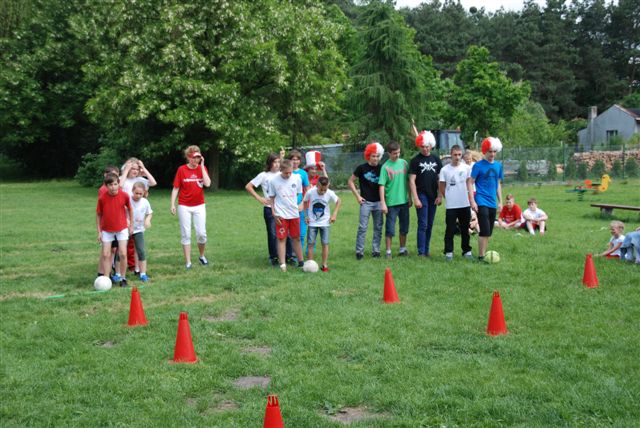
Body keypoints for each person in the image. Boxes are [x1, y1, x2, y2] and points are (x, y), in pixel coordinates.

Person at [170, 146, 212, 269]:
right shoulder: (181, 169)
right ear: (188, 157)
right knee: (186, 234)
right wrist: (172, 204)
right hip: (184, 205)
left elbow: (207, 184)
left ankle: (201, 256)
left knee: (201, 234)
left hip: (199, 205)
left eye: (198, 157)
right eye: (193, 157)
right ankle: (188, 262)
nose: (196, 160)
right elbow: (176, 188)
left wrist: (202, 166)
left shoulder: (202, 168)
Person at [348, 142, 384, 260]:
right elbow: (350, 181)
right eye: (373, 156)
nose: (375, 158)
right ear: (368, 156)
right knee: (362, 227)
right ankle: (359, 252)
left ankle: (376, 251)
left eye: (377, 156)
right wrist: (358, 196)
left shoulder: (382, 168)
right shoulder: (361, 168)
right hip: (366, 202)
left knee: (378, 228)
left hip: (379, 202)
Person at [120, 158, 157, 272]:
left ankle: (136, 268)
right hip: (124, 215)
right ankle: (118, 267)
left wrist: (144, 168)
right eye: (132, 168)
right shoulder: (123, 179)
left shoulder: (140, 180)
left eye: (137, 169)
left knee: (137, 245)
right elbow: (120, 186)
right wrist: (126, 170)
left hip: (137, 216)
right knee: (122, 244)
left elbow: (153, 182)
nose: (135, 171)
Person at [409, 129, 442, 256]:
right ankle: (421, 251)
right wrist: (416, 198)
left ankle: (426, 250)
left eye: (427, 146)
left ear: (431, 145)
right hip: (421, 194)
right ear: (419, 146)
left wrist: (439, 195)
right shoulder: (415, 160)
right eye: (422, 146)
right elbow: (412, 181)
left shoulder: (436, 159)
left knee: (430, 224)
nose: (425, 149)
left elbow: (440, 179)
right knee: (423, 223)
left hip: (433, 195)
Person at [96, 173, 133, 286]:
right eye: (110, 185)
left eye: (115, 184)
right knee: (106, 254)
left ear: (118, 184)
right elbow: (98, 214)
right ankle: (106, 279)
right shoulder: (102, 198)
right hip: (107, 230)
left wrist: (131, 224)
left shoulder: (125, 196)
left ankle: (123, 278)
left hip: (122, 228)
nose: (113, 187)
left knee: (123, 253)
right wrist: (99, 232)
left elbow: (130, 210)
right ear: (106, 186)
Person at [470, 137, 504, 263]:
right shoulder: (478, 166)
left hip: (492, 202)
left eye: (494, 151)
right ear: (485, 151)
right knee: (484, 230)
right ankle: (481, 256)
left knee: (488, 231)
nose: (492, 154)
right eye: (490, 151)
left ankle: (484, 253)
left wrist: (500, 201)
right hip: (481, 200)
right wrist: (473, 201)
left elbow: (498, 184)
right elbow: (470, 182)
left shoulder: (498, 166)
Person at [268, 159, 305, 272]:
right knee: (281, 238)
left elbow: (299, 193)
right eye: (286, 173)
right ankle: (282, 264)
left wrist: (300, 203)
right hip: (281, 214)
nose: (288, 175)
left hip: (294, 213)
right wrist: (274, 213)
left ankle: (301, 262)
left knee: (296, 238)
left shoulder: (297, 178)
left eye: (290, 172)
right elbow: (272, 198)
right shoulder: (273, 181)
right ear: (281, 170)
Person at [438, 145, 474, 261]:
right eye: (455, 155)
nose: (457, 157)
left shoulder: (467, 168)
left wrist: (470, 199)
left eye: (459, 155)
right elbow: (441, 186)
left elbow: (469, 183)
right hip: (451, 205)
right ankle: (449, 252)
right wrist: (448, 197)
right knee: (450, 229)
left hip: (465, 204)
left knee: (465, 229)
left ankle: (466, 251)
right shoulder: (445, 170)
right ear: (451, 155)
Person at [245, 153, 281, 266]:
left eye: (278, 162)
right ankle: (273, 257)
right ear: (270, 163)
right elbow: (248, 186)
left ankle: (287, 256)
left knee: (285, 233)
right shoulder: (264, 175)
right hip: (269, 209)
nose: (277, 164)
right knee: (272, 234)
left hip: (283, 209)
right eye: (274, 162)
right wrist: (260, 198)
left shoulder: (282, 174)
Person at [379, 141, 410, 259]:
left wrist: (410, 197)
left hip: (404, 201)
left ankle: (402, 249)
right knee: (390, 228)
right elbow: (381, 186)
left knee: (404, 227)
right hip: (391, 203)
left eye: (398, 152)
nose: (397, 155)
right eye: (394, 153)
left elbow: (408, 181)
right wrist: (383, 203)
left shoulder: (404, 163)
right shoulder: (385, 167)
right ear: (389, 153)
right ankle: (388, 251)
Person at [303, 176, 341, 271]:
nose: (323, 192)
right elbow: (305, 202)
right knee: (310, 243)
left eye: (325, 190)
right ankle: (310, 265)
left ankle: (324, 265)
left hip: (325, 223)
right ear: (317, 185)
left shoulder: (330, 193)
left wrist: (334, 214)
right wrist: (306, 215)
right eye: (321, 189)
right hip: (312, 223)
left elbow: (338, 201)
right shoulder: (310, 192)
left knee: (325, 243)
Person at [287, 150, 310, 258]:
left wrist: (302, 204)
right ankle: (289, 254)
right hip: (287, 207)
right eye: (293, 159)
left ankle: (297, 256)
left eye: (297, 159)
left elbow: (307, 190)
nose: (295, 162)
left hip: (300, 208)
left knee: (301, 234)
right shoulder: (286, 172)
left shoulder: (303, 173)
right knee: (288, 234)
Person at [130, 182, 153, 281]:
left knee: (141, 250)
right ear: (132, 191)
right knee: (121, 251)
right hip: (126, 229)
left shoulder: (145, 202)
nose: (138, 196)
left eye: (140, 194)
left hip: (139, 229)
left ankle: (142, 273)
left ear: (144, 193)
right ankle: (118, 273)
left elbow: (150, 213)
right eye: (136, 193)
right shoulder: (128, 200)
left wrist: (147, 220)